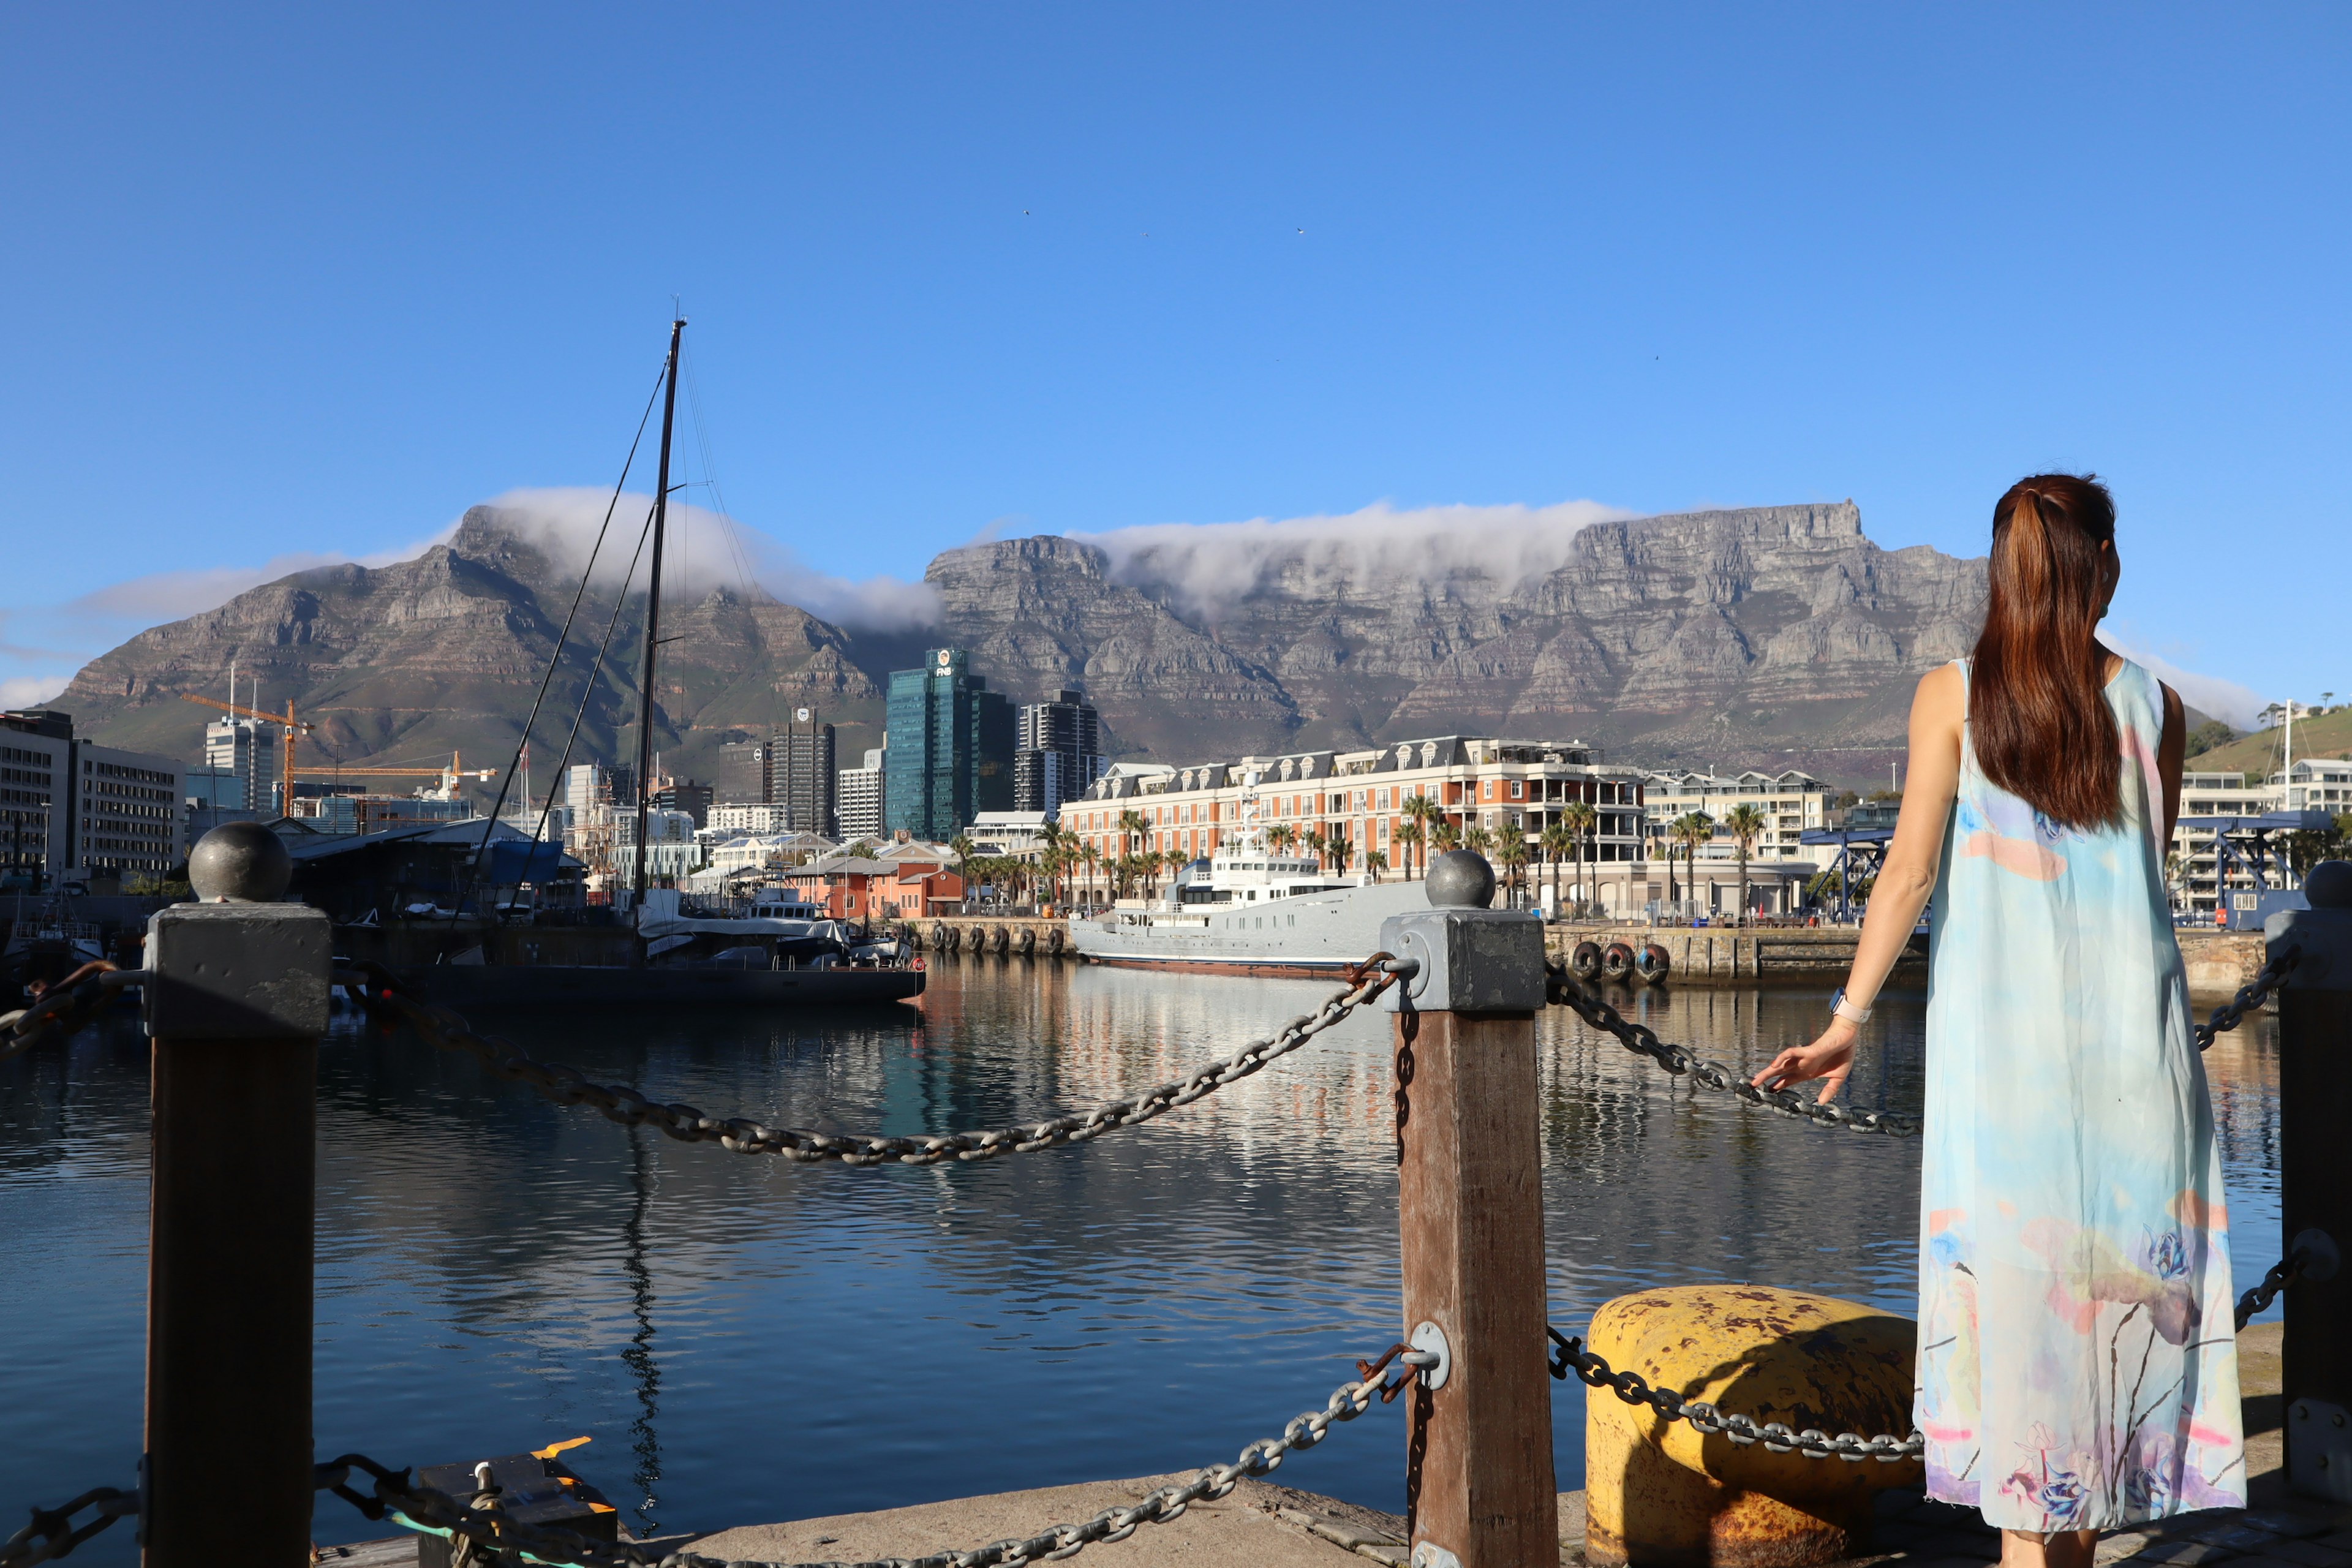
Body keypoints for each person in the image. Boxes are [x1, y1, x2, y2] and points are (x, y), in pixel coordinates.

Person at [1753, 475, 2241, 1567]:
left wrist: (1849, 1017)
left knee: (2032, 1430)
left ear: (2001, 575)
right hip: (2136, 1093)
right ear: (2103, 566)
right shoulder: (2155, 705)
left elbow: (1908, 875)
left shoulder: (1952, 697)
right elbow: (2143, 892)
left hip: (2004, 1102)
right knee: (2091, 1425)